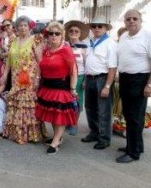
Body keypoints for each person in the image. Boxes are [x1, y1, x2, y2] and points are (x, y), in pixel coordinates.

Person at [0, 16, 46, 145]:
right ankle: (16, 133)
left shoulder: (35, 40)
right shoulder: (13, 40)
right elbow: (8, 60)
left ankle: (31, 134)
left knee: (28, 104)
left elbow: (40, 61)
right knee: (16, 102)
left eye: (25, 25)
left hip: (29, 78)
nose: (22, 28)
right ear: (17, 28)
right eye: (20, 26)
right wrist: (5, 74)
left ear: (29, 27)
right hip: (15, 77)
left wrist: (37, 78)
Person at [35, 21, 78, 154]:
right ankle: (57, 137)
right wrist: (37, 81)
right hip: (47, 87)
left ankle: (56, 142)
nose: (53, 36)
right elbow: (39, 65)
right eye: (51, 33)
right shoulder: (46, 51)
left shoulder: (66, 50)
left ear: (62, 36)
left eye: (57, 34)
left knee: (59, 116)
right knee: (53, 114)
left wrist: (72, 88)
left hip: (61, 88)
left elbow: (73, 70)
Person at [116, 9, 151, 163]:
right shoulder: (124, 36)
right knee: (129, 115)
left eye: (134, 18)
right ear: (125, 22)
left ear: (140, 20)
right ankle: (137, 145)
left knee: (135, 118)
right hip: (125, 79)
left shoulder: (147, 36)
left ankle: (133, 153)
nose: (131, 21)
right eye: (128, 19)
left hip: (140, 79)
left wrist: (149, 84)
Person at [82, 17, 117, 150]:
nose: (97, 28)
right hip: (90, 78)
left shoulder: (110, 44)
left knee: (104, 110)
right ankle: (94, 132)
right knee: (90, 107)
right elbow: (89, 62)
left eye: (100, 26)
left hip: (103, 79)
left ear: (106, 28)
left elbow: (112, 67)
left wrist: (107, 86)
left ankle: (104, 138)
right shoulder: (91, 42)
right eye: (94, 26)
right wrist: (86, 79)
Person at [64, 20, 89, 135]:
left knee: (77, 101)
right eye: (71, 31)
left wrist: (85, 80)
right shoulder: (64, 45)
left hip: (79, 77)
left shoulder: (84, 47)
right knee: (66, 101)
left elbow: (87, 65)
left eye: (76, 31)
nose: (73, 32)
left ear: (80, 34)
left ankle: (74, 124)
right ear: (68, 33)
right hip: (65, 77)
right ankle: (67, 121)